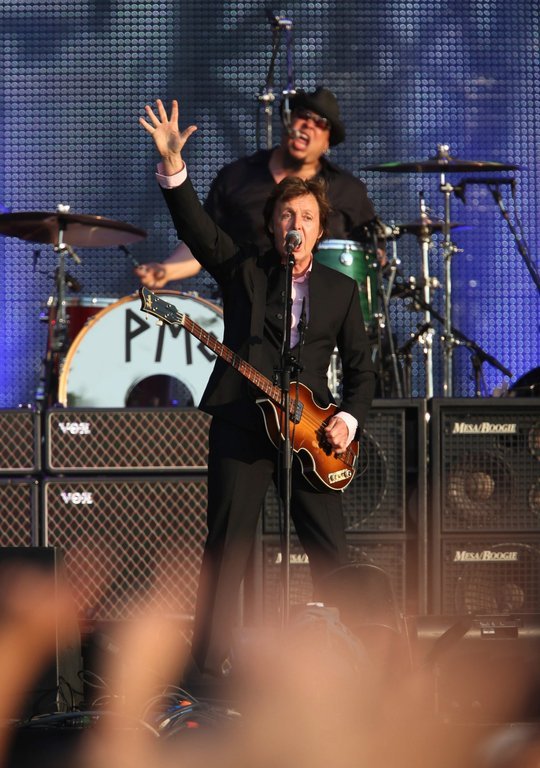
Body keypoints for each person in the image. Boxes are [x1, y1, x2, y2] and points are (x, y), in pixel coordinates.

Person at [139, 98, 377, 677]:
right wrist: (173, 167)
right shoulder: (245, 270)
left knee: (331, 552)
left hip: (312, 435)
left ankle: (355, 669)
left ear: (321, 229)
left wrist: (346, 420)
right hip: (244, 423)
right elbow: (198, 231)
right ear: (273, 226)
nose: (296, 226)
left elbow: (362, 369)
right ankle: (204, 674)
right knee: (226, 548)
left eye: (307, 218)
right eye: (286, 216)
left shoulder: (340, 291)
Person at [135, 86, 377, 288]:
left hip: (321, 315)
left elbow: (374, 253)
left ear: (327, 142)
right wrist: (166, 270)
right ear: (288, 120)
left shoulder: (348, 191)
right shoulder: (237, 177)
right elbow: (205, 241)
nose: (308, 125)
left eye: (321, 123)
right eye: (303, 115)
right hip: (249, 306)